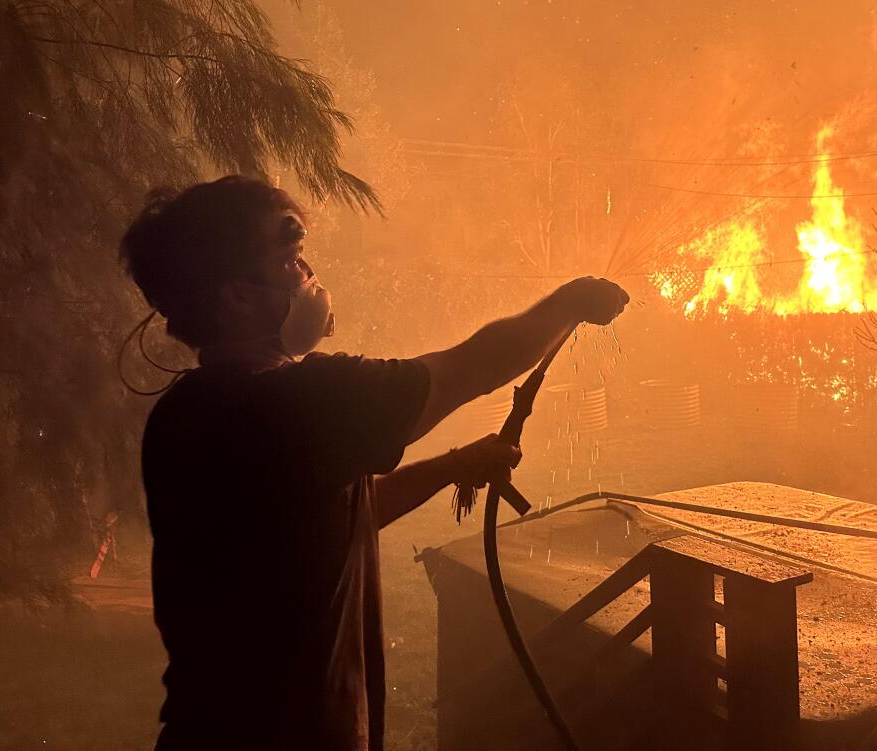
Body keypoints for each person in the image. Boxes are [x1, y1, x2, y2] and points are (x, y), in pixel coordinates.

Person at [118, 175, 629, 750]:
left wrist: (453, 464)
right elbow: (476, 365)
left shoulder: (189, 411)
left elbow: (327, 517)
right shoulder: (294, 402)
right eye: (291, 255)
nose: (309, 273)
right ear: (238, 296)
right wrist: (573, 299)